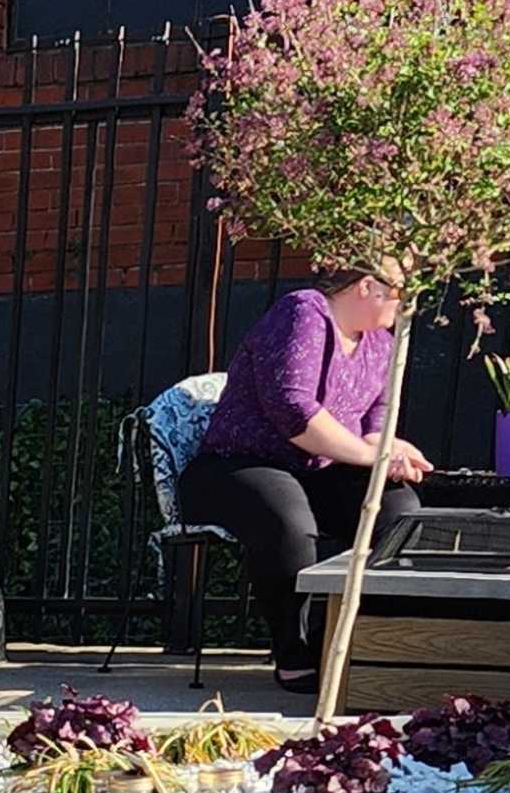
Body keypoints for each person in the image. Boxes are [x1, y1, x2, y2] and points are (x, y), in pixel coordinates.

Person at [175, 269, 428, 688]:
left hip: (317, 470)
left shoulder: (382, 345)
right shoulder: (304, 312)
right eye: (401, 292)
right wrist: (373, 455)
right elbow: (294, 412)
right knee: (288, 520)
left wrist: (392, 450)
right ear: (366, 286)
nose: (407, 304)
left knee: (398, 508)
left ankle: (368, 645)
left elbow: (375, 422)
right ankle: (295, 651)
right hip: (237, 464)